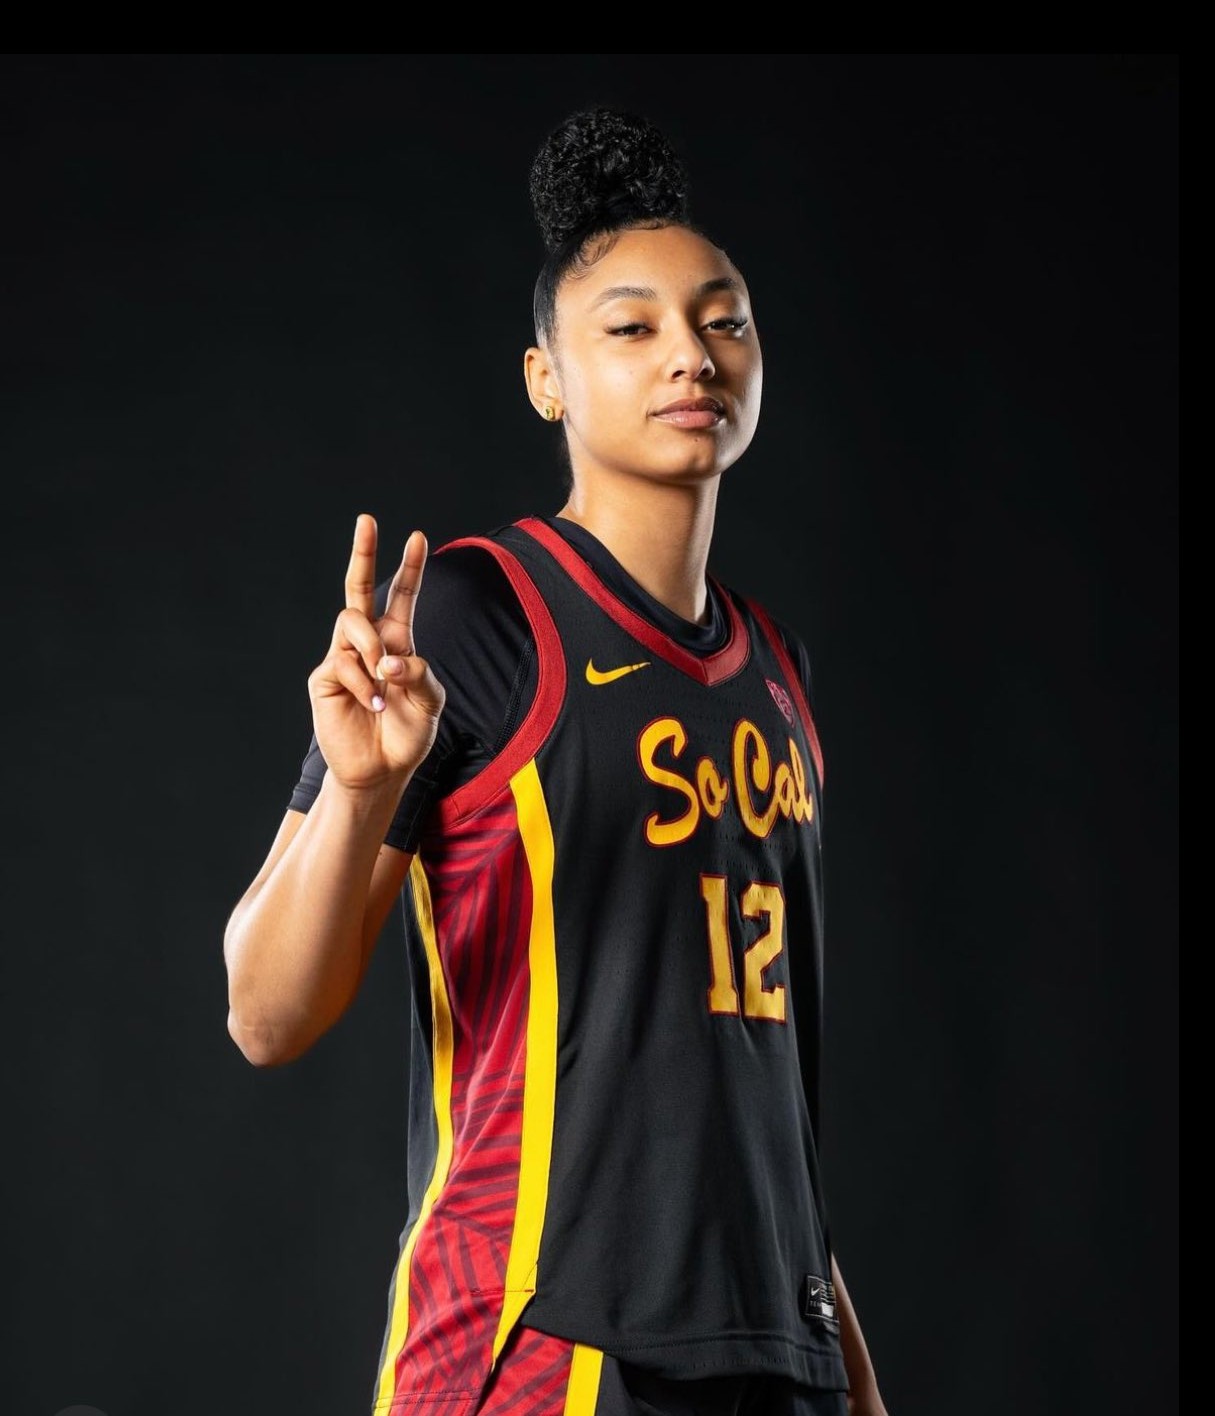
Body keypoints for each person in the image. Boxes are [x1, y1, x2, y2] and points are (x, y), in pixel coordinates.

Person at [223, 106, 889, 1416]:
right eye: (631, 328)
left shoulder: (777, 670)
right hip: (539, 1352)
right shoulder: (479, 614)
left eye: (723, 321)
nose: (690, 354)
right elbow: (264, 1015)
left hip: (779, 1355)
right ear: (546, 379)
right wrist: (358, 785)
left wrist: (852, 1380)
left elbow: (759, 1108)